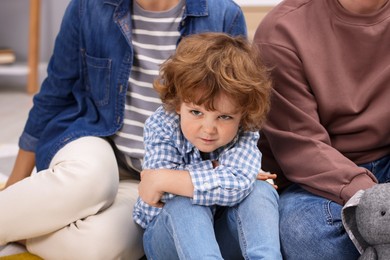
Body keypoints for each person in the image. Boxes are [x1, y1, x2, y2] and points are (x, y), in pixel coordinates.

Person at [0, 0, 249, 259]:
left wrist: (243, 166)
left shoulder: (223, 15)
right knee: (91, 178)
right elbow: (55, 93)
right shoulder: (88, 7)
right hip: (93, 139)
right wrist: (17, 182)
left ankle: (26, 230)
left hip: (157, 178)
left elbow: (238, 108)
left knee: (96, 247)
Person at [254, 0, 390, 259]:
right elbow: (301, 146)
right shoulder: (281, 31)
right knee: (303, 232)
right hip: (317, 179)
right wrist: (376, 202)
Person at [133, 32, 282, 259]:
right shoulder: (162, 124)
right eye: (196, 112)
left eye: (224, 117)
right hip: (168, 237)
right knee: (185, 202)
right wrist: (223, 171)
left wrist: (165, 177)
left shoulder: (245, 130)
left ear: (242, 115)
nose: (208, 129)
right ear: (178, 103)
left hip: (222, 236)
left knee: (260, 191)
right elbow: (165, 195)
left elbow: (240, 182)